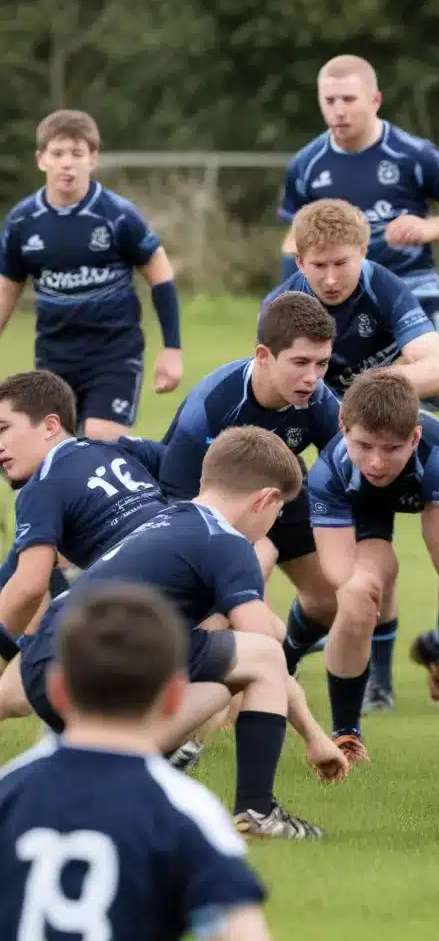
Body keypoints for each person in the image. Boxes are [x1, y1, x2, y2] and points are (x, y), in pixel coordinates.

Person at [7, 426, 346, 839]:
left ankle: (104, 776)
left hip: (53, 656)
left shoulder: (170, 518)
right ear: (266, 500)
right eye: (279, 513)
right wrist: (314, 736)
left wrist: (311, 734)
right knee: (259, 658)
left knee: (225, 680)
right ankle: (257, 810)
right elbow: (264, 647)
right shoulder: (228, 542)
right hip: (91, 658)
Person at [0, 584, 272, 940]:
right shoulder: (184, 808)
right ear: (175, 696)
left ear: (55, 690)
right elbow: (242, 931)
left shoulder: (10, 790)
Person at [276, 54, 439, 410]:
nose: (339, 111)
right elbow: (293, 240)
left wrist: (427, 227)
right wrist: (289, 301)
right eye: (329, 101)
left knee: (408, 410)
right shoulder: (306, 165)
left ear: (375, 100)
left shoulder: (412, 154)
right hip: (343, 300)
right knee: (337, 410)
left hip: (412, 286)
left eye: (349, 99)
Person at [306, 369, 439, 761]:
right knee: (362, 588)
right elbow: (339, 573)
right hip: (360, 507)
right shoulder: (329, 473)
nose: (375, 461)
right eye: (364, 446)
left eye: (391, 448)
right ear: (342, 427)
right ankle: (349, 730)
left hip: (427, 490)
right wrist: (357, 594)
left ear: (414, 437)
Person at [159, 291, 341, 676]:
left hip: (284, 498)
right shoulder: (211, 406)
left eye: (322, 363)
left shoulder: (320, 400)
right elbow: (178, 501)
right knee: (248, 580)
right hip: (217, 512)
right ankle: (238, 693)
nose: (312, 377)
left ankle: (283, 660)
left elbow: (344, 470)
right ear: (263, 356)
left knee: (331, 601)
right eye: (300, 362)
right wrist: (234, 552)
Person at [0, 109, 183, 439]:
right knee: (50, 452)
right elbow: (6, 291)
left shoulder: (118, 216)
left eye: (77, 154)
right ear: (41, 159)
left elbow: (160, 274)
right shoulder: (21, 223)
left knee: (100, 439)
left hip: (114, 354)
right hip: (54, 357)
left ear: (93, 159)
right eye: (57, 154)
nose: (67, 163)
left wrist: (172, 349)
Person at [0, 370, 167, 650]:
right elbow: (197, 470)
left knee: (13, 692)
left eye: (3, 429)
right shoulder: (122, 448)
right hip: (194, 563)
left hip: (137, 594)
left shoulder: (42, 485)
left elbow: (29, 587)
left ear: (50, 426)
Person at [264, 198, 439, 403]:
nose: (330, 280)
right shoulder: (280, 306)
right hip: (317, 415)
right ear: (300, 262)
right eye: (319, 266)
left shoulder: (382, 286)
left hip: (381, 405)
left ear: (362, 253)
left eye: (341, 263)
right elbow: (270, 390)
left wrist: (369, 387)